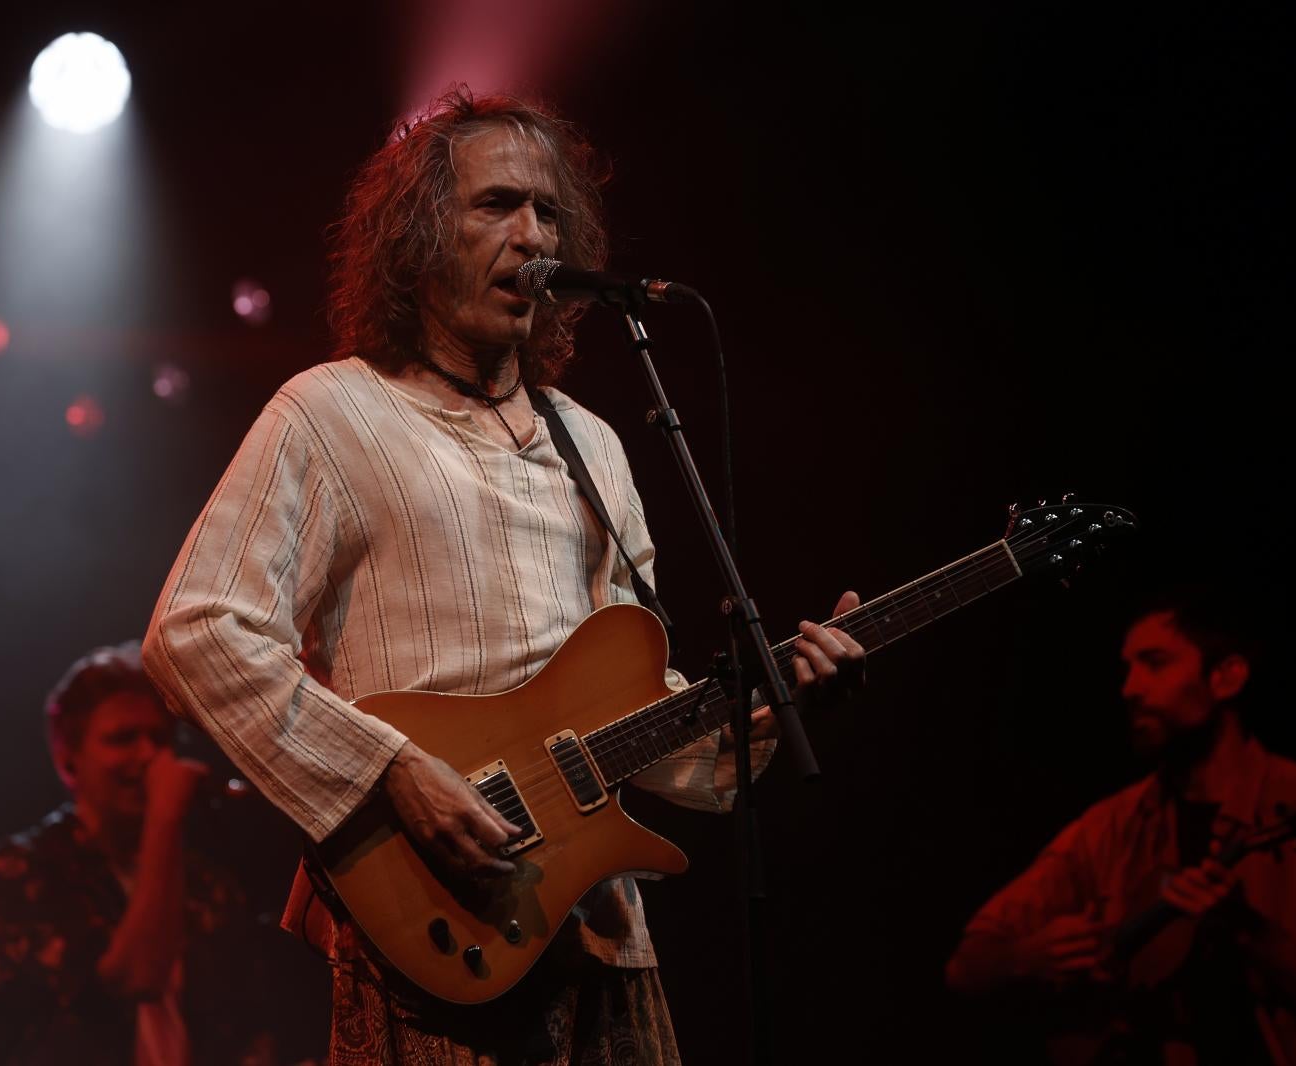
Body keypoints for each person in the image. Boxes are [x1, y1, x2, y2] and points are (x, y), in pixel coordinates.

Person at [142, 86, 864, 1064]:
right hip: (436, 931)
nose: (532, 234)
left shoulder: (595, 446)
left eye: (549, 210)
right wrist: (390, 771)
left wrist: (763, 713)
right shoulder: (329, 413)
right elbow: (197, 629)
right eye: (496, 205)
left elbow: (641, 720)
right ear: (420, 234)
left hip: (601, 928)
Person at [945, 590, 1296, 1064]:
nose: (1130, 688)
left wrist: (1251, 932)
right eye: (1128, 669)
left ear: (1227, 677)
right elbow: (965, 967)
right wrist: (1026, 957)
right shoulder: (1112, 827)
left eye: (1154, 664)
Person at [0, 642, 278, 1066]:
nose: (150, 756)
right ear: (68, 760)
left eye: (159, 737)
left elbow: (247, 1027)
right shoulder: (23, 868)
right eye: (122, 739)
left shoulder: (205, 881)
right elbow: (137, 977)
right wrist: (165, 819)